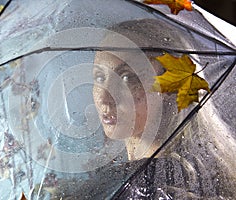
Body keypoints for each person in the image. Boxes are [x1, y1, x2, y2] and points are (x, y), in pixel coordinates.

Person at [91, 18, 236, 199]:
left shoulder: (148, 188)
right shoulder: (209, 172)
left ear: (171, 87)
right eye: (99, 77)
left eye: (127, 78)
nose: (104, 99)